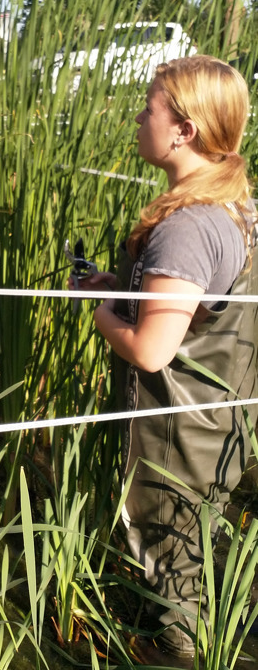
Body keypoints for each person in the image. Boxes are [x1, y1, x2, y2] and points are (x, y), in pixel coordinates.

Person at [73, 55, 258, 668]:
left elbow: (152, 351)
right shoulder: (234, 206)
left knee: (176, 595)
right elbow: (194, 307)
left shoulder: (188, 226)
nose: (137, 115)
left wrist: (103, 309)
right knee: (203, 572)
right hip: (213, 430)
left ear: (184, 129)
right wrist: (123, 287)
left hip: (176, 441)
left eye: (149, 106)